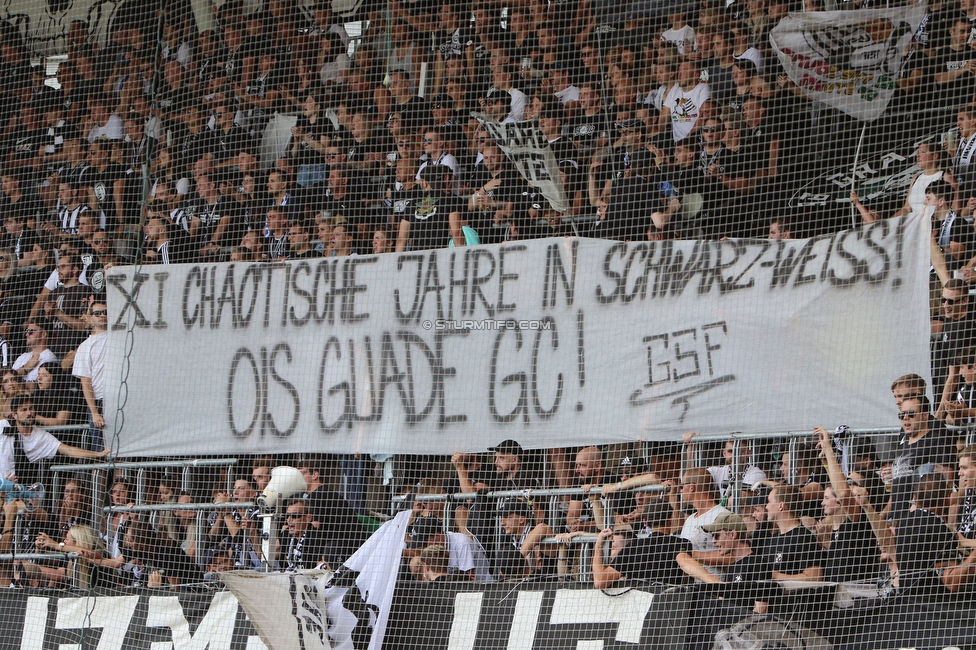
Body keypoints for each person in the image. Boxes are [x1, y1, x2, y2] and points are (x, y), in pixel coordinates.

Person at [0, 395, 109, 486]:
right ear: (14, 415)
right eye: (23, 410)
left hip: (14, 487)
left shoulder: (41, 436)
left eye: (31, 408)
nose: (29, 413)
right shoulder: (3, 425)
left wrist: (97, 454)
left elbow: (68, 450)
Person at [669, 467, 732, 578]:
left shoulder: (722, 515)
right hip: (692, 590)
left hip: (716, 589)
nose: (680, 490)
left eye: (682, 486)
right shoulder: (689, 519)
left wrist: (691, 554)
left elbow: (732, 557)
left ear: (691, 487)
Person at [72, 299, 108, 451]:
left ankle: (121, 476)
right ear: (90, 318)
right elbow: (85, 382)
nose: (102, 316)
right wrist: (94, 412)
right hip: (99, 401)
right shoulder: (84, 347)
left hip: (121, 397)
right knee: (100, 451)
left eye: (106, 312)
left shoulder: (121, 337)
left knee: (122, 450)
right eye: (97, 313)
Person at [282, 499, 328, 570]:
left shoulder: (316, 537)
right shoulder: (285, 535)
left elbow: (321, 563)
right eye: (287, 516)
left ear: (308, 518)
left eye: (294, 516)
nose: (289, 520)